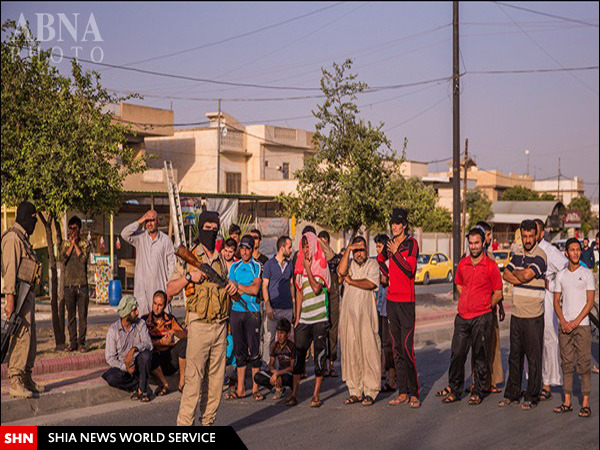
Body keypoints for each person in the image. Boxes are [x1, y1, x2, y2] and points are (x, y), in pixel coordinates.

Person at [167, 210, 237, 426]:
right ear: (200, 228)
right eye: (207, 228)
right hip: (198, 326)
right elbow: (169, 289)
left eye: (215, 228)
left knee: (215, 384)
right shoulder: (190, 257)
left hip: (219, 327)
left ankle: (208, 424)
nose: (211, 231)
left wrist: (233, 289)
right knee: (193, 382)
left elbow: (225, 291)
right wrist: (190, 277)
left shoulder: (220, 261)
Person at [437, 228, 503, 406]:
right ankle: (455, 390)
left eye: (477, 243)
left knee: (480, 355)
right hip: (463, 317)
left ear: (483, 244)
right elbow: (459, 285)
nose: (473, 246)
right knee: (457, 354)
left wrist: (485, 305)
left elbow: (498, 292)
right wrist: (467, 299)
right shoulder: (463, 263)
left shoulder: (491, 266)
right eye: (471, 243)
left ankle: (478, 391)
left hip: (482, 317)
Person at [499, 220, 547, 410]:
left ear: (536, 235)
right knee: (515, 357)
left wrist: (518, 274)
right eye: (524, 236)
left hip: (534, 315)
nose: (527, 240)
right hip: (517, 314)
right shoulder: (517, 253)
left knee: (533, 358)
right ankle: (512, 393)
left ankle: (532, 395)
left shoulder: (541, 256)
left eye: (530, 236)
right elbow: (505, 274)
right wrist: (521, 274)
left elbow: (526, 276)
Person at [378, 208, 421, 408]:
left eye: (398, 223)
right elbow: (384, 266)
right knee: (396, 349)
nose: (394, 226)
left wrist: (396, 253)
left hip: (406, 303)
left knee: (406, 348)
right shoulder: (390, 245)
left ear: (404, 225)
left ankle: (414, 393)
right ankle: (402, 392)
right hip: (391, 302)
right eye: (392, 223)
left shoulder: (411, 244)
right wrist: (383, 256)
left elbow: (410, 270)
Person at [2, 201, 45, 398]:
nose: (35, 223)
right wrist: (10, 299)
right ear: (26, 217)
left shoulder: (23, 238)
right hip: (18, 296)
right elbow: (10, 272)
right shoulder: (13, 238)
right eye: (33, 219)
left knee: (30, 338)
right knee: (20, 337)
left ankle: (27, 377)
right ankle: (15, 380)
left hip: (27, 295)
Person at [552, 238, 596, 418]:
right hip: (565, 326)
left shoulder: (587, 274)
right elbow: (556, 301)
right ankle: (567, 401)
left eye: (578, 249)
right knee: (567, 364)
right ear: (566, 253)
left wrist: (576, 321)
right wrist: (563, 320)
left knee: (584, 364)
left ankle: (585, 403)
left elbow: (590, 301)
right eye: (572, 250)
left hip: (582, 326)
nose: (576, 253)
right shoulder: (560, 275)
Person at [288, 231, 331, 407]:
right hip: (304, 319)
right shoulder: (299, 266)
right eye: (303, 246)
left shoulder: (321, 264)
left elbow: (315, 289)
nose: (306, 250)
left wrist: (308, 268)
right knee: (299, 356)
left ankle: (316, 395)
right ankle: (294, 394)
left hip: (320, 318)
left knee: (319, 356)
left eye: (308, 246)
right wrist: (297, 318)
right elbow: (300, 293)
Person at [338, 236, 382, 406]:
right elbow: (341, 273)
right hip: (349, 318)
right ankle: (355, 391)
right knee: (352, 352)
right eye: (355, 251)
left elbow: (370, 283)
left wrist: (350, 281)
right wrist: (348, 250)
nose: (359, 254)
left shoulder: (372, 265)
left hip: (366, 318)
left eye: (361, 250)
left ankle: (370, 391)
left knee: (368, 351)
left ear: (366, 250)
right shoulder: (348, 264)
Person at [534, 219, 568, 400]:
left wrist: (552, 283)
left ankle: (548, 382)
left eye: (535, 231)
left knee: (549, 338)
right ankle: (534, 380)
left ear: (541, 233)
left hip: (546, 299)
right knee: (531, 340)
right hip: (530, 299)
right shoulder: (526, 250)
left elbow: (565, 268)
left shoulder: (550, 250)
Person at [227, 234, 264, 401]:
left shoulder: (257, 266)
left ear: (252, 249)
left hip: (252, 311)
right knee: (240, 351)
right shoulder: (234, 267)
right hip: (236, 311)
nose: (244, 251)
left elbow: (255, 289)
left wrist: (239, 287)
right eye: (242, 248)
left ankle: (256, 388)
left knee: (254, 351)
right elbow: (231, 292)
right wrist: (242, 288)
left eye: (247, 248)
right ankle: (241, 389)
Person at [121, 210, 176, 316]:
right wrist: (140, 220)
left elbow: (172, 265)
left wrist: (170, 289)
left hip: (160, 289)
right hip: (142, 291)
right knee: (142, 324)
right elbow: (124, 234)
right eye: (147, 221)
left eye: (152, 220)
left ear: (158, 221)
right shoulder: (140, 238)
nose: (149, 223)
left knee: (161, 324)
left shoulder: (166, 241)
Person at [472, 221, 505, 394]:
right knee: (477, 347)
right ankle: (476, 380)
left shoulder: (490, 257)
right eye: (489, 234)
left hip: (490, 309)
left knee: (493, 344)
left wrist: (499, 305)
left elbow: (497, 287)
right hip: (476, 312)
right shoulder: (468, 257)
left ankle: (492, 380)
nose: (491, 238)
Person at [102, 295, 154, 402]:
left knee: (146, 355)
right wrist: (125, 367)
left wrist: (134, 349)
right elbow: (110, 358)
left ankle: (143, 390)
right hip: (124, 368)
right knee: (111, 377)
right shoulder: (113, 330)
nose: (137, 313)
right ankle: (136, 386)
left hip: (139, 364)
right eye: (134, 310)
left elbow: (149, 344)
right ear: (126, 313)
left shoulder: (141, 324)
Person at [142, 290, 188, 395]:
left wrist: (173, 332)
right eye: (154, 304)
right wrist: (159, 343)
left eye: (160, 305)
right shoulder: (144, 320)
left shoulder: (170, 319)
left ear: (164, 305)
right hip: (155, 362)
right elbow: (141, 343)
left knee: (184, 343)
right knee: (147, 353)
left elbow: (184, 335)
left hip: (169, 358)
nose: (156, 307)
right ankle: (165, 384)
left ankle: (182, 382)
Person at [58, 215, 91, 352]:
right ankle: (73, 342)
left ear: (79, 229)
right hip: (68, 285)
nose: (72, 231)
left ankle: (81, 342)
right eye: (70, 228)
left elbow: (83, 260)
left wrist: (76, 244)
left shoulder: (84, 244)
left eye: (75, 228)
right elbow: (62, 259)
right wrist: (71, 245)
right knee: (70, 316)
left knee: (82, 316)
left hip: (82, 285)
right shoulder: (65, 244)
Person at [262, 235, 294, 366]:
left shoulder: (290, 265)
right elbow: (264, 286)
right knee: (270, 339)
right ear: (282, 248)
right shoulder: (269, 265)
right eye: (289, 247)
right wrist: (267, 305)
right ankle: (266, 367)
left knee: (287, 339)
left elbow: (291, 284)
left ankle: (284, 369)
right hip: (273, 308)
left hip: (287, 308)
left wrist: (294, 305)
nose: (291, 250)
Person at [318, 230, 342, 377]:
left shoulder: (334, 258)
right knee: (321, 331)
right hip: (321, 297)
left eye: (324, 241)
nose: (322, 244)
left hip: (333, 297)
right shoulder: (317, 260)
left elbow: (333, 259)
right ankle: (322, 366)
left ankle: (332, 364)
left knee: (333, 331)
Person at [254, 318, 295, 399]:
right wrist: (275, 373)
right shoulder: (275, 345)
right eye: (278, 332)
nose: (279, 335)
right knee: (257, 376)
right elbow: (271, 365)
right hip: (278, 372)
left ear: (288, 334)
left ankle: (282, 387)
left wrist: (278, 373)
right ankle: (278, 387)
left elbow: (291, 368)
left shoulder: (292, 346)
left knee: (287, 378)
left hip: (288, 374)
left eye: (282, 333)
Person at [375, 234, 396, 392]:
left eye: (380, 246)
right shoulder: (379, 263)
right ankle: (383, 373)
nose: (378, 250)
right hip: (380, 308)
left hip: (390, 307)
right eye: (376, 246)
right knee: (382, 343)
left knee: (389, 345)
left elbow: (385, 280)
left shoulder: (389, 263)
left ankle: (392, 379)